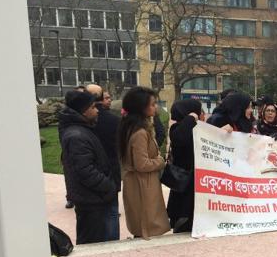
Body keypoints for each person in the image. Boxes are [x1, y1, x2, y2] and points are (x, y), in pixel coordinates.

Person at [59, 90, 117, 244]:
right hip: (90, 199)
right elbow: (85, 171)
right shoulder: (77, 135)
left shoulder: (83, 129)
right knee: (91, 241)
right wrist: (108, 185)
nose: (97, 110)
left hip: (93, 197)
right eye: (93, 107)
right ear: (83, 110)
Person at [118, 86, 170, 239]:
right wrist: (160, 161)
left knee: (144, 224)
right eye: (153, 104)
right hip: (142, 185)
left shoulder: (131, 127)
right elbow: (142, 164)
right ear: (141, 107)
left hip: (140, 182)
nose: (156, 108)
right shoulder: (139, 132)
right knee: (147, 226)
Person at [86, 83, 121, 241]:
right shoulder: (114, 120)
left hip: (91, 174)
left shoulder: (80, 122)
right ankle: (112, 244)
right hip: (110, 171)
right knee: (111, 212)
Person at [166, 99, 202, 233]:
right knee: (183, 216)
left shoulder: (195, 128)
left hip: (193, 181)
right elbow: (180, 138)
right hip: (184, 180)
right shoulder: (178, 128)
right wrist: (190, 118)